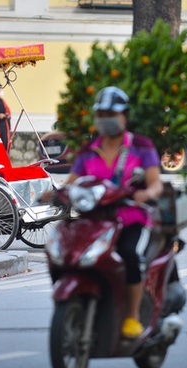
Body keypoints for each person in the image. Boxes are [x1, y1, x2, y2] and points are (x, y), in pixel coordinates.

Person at [59, 86, 163, 339]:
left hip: (130, 218)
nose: (106, 118)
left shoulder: (141, 146)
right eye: (101, 113)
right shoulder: (87, 150)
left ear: (124, 116)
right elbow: (71, 181)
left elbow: (156, 183)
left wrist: (145, 194)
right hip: (94, 220)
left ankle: (133, 317)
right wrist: (56, 193)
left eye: (111, 113)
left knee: (129, 255)